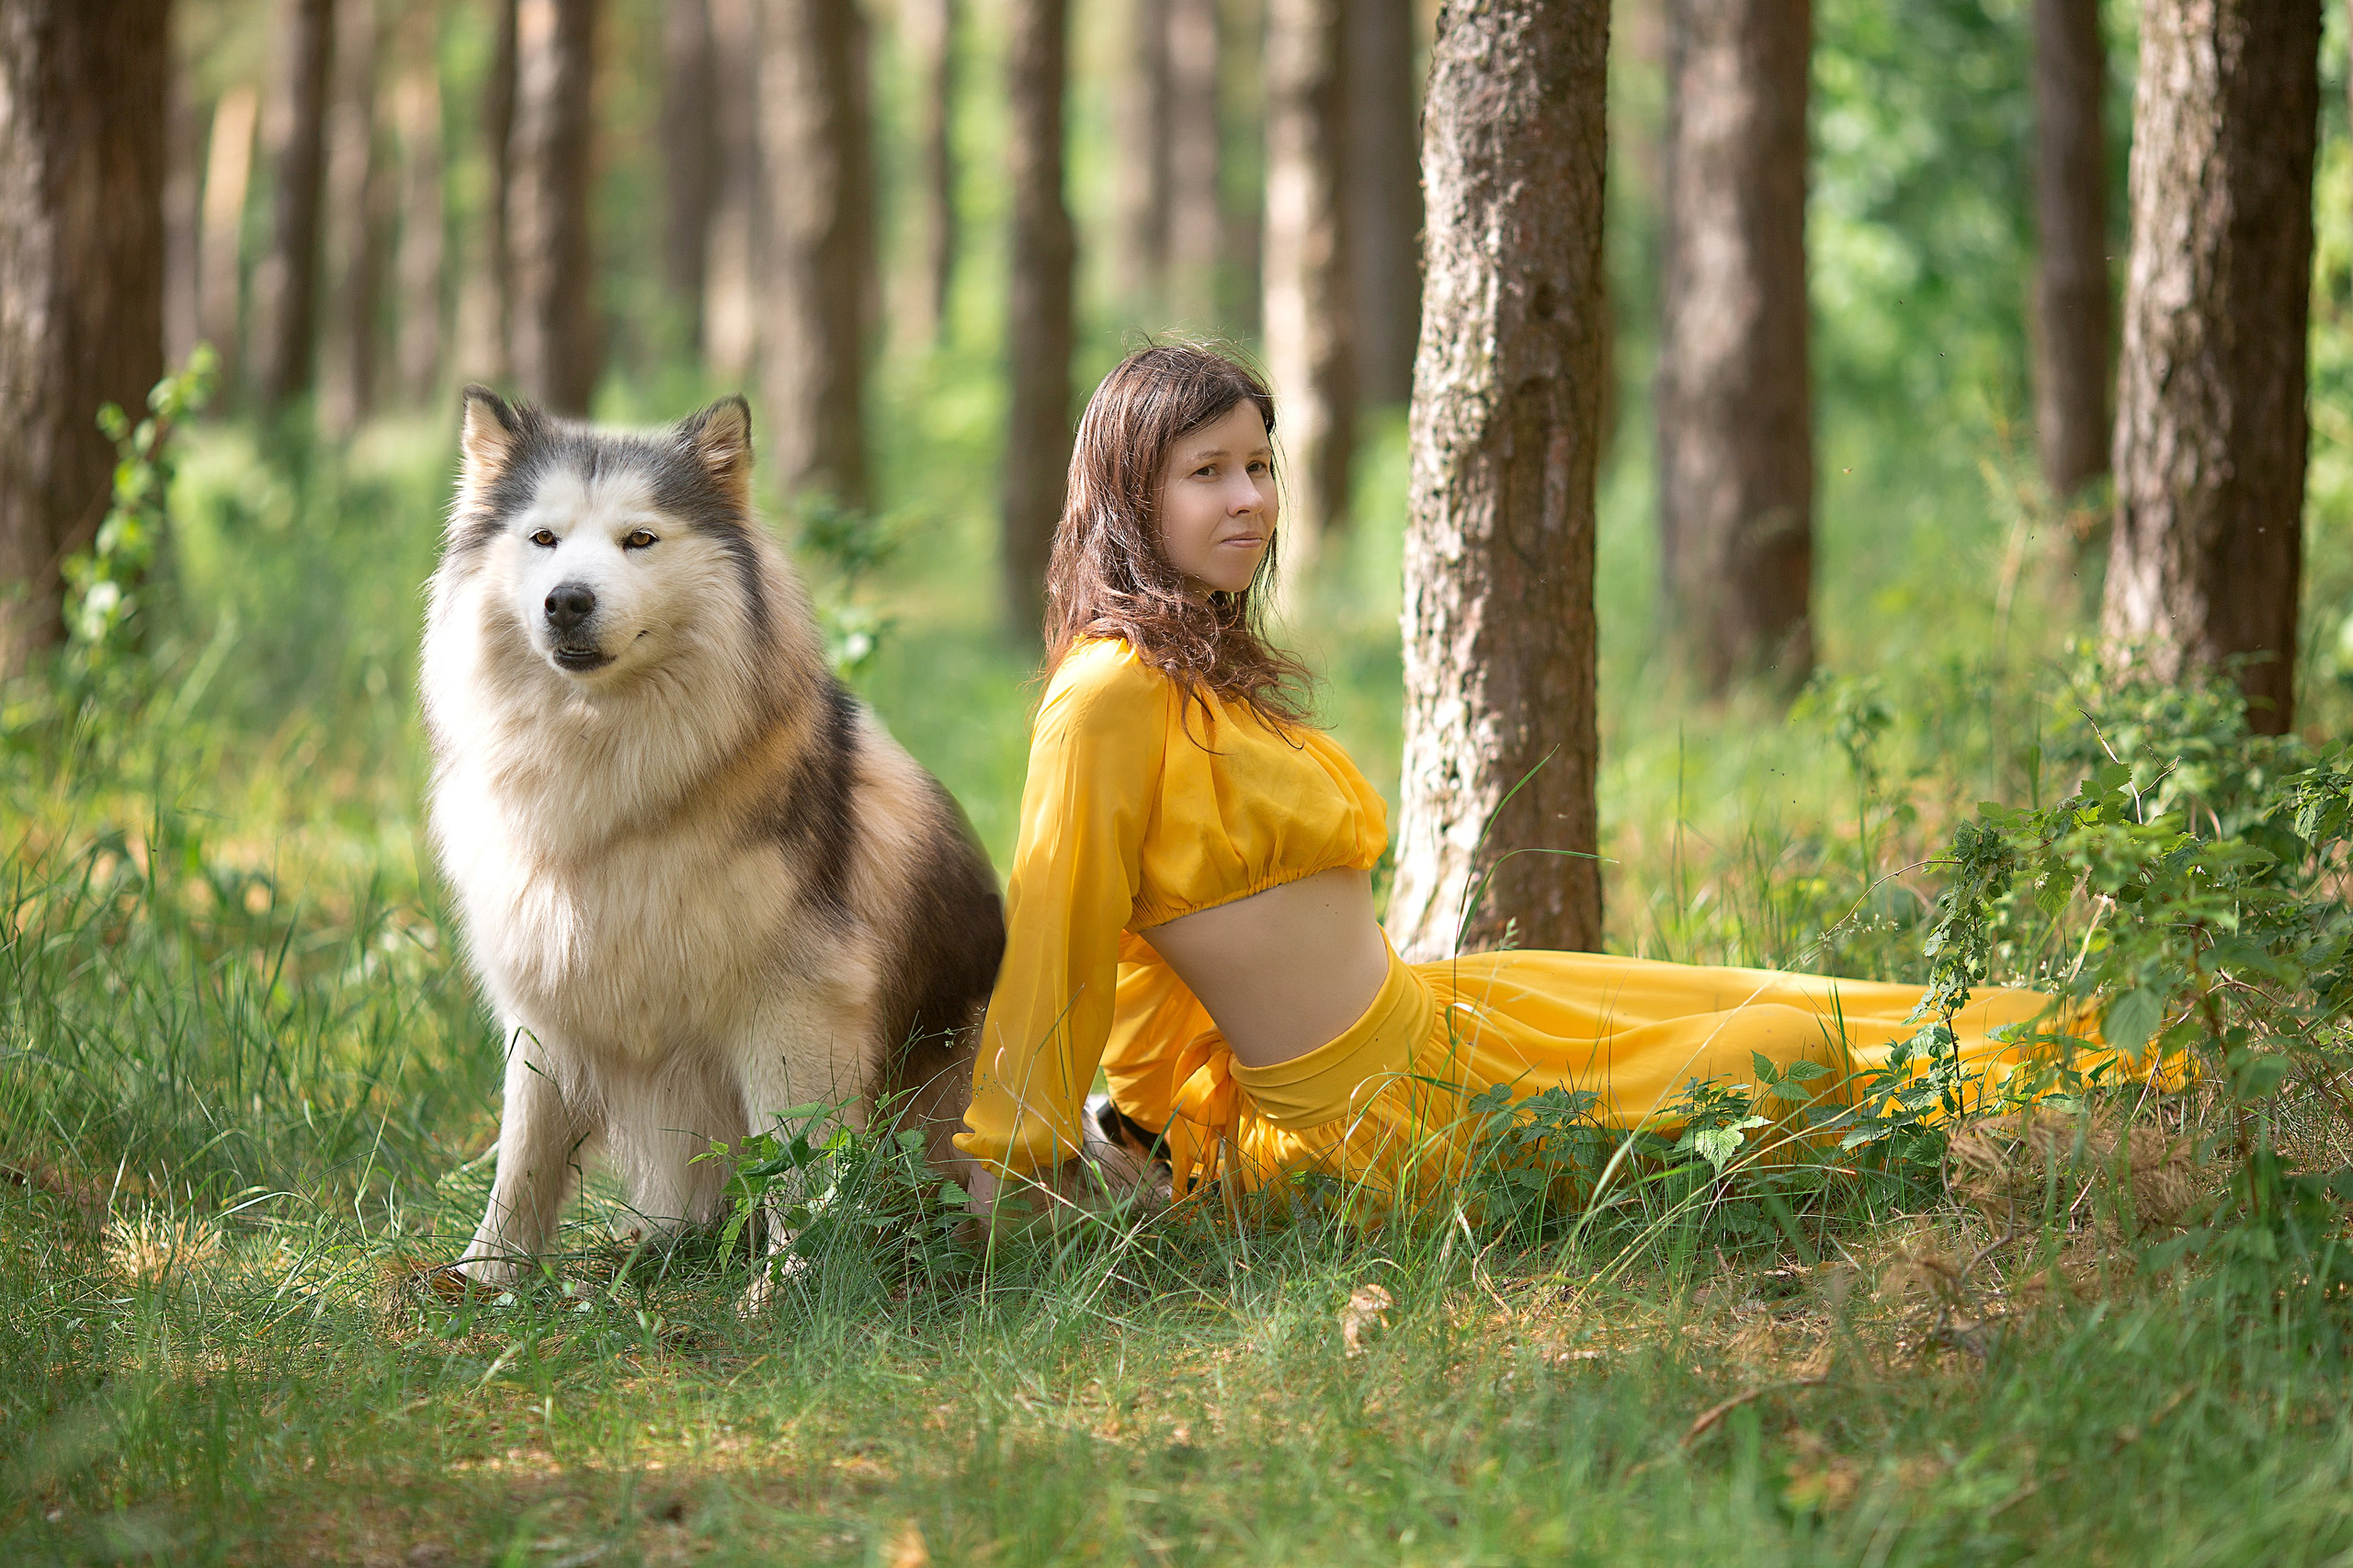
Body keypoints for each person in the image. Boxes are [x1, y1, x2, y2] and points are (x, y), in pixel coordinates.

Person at [957, 344, 2094, 1219]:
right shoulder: (1106, 690)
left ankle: (2108, 1045)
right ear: (1130, 496)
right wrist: (1019, 1167)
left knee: (1764, 997)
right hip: (1370, 1121)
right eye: (1206, 473)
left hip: (1436, 1015)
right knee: (1789, 1054)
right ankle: (2030, 1107)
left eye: (1257, 464)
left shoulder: (1198, 665)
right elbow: (1061, 922)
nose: (1249, 497)